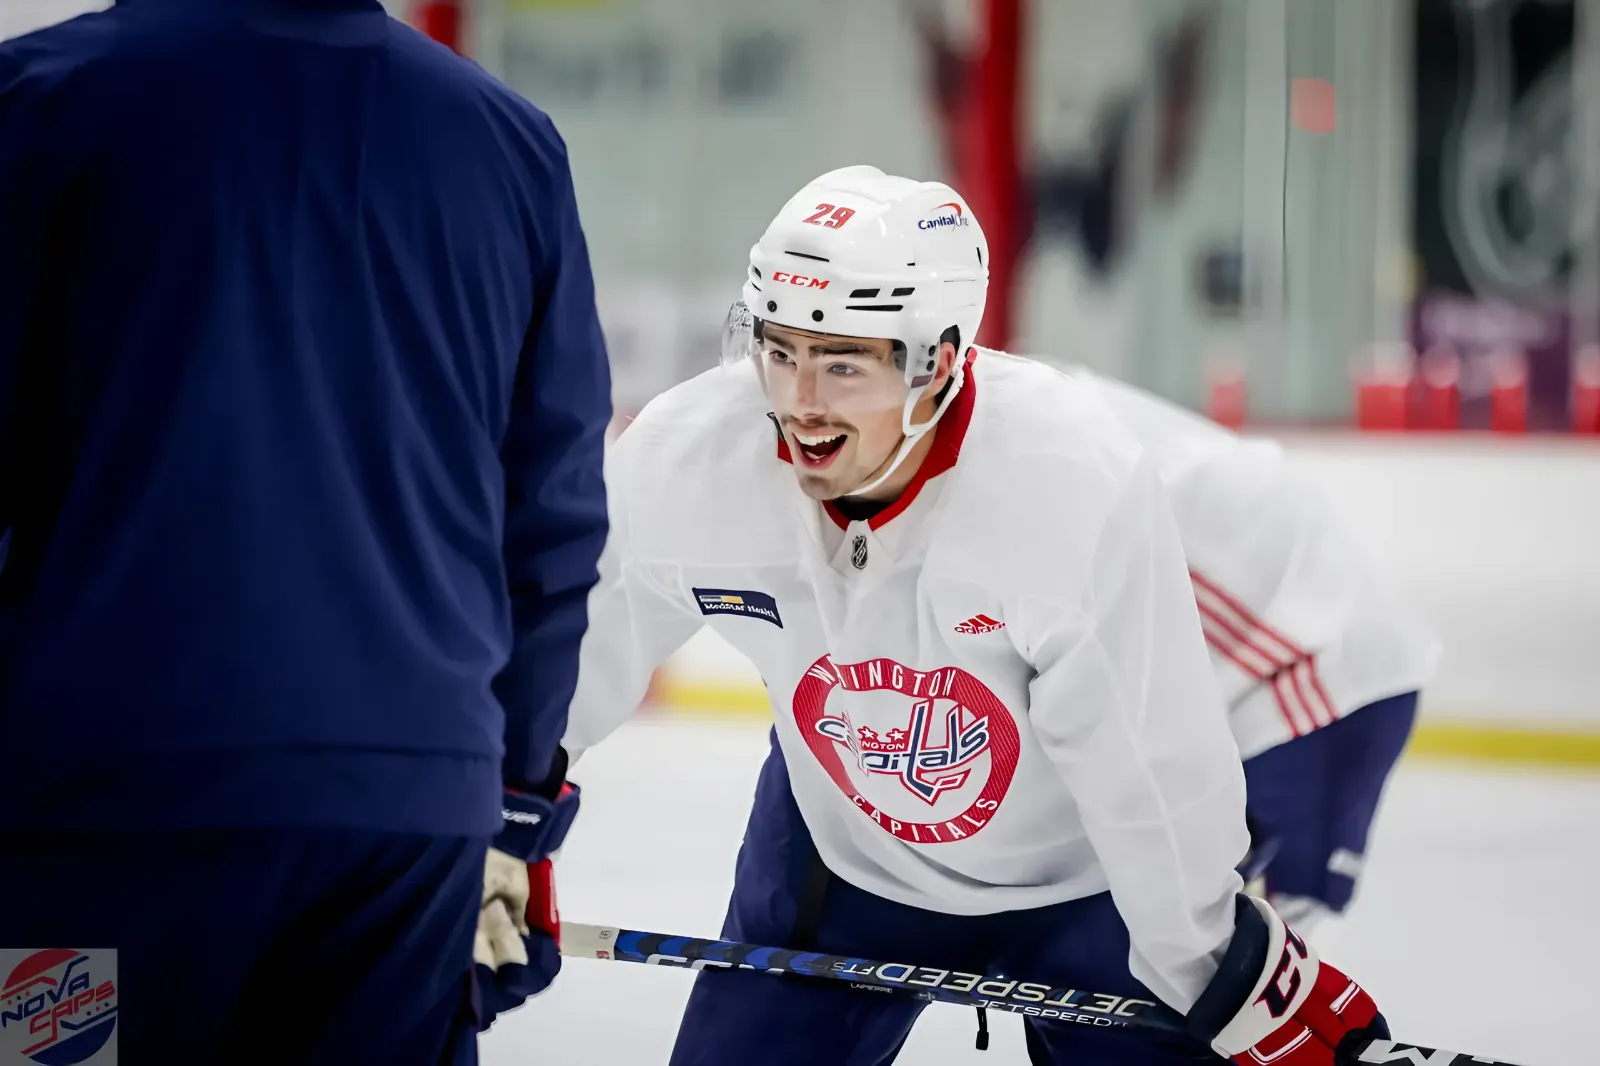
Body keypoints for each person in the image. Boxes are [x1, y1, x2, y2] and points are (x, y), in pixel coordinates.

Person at [549, 165, 1392, 1065]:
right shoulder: (689, 458)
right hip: (838, 865)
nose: (800, 400)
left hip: (1085, 888)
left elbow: (1147, 767)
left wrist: (1217, 969)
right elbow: (564, 656)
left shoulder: (1065, 483)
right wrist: (495, 828)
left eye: (843, 362)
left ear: (939, 363)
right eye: (780, 349)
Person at [0, 1, 607, 1061]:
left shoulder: (42, 96)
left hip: (103, 805)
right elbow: (550, 513)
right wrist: (510, 807)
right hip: (410, 820)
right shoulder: (507, 140)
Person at [1048, 367, 1441, 935]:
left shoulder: (1033, 441)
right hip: (1301, 674)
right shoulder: (1034, 408)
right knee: (1144, 948)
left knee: (1226, 958)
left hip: (1323, 688)